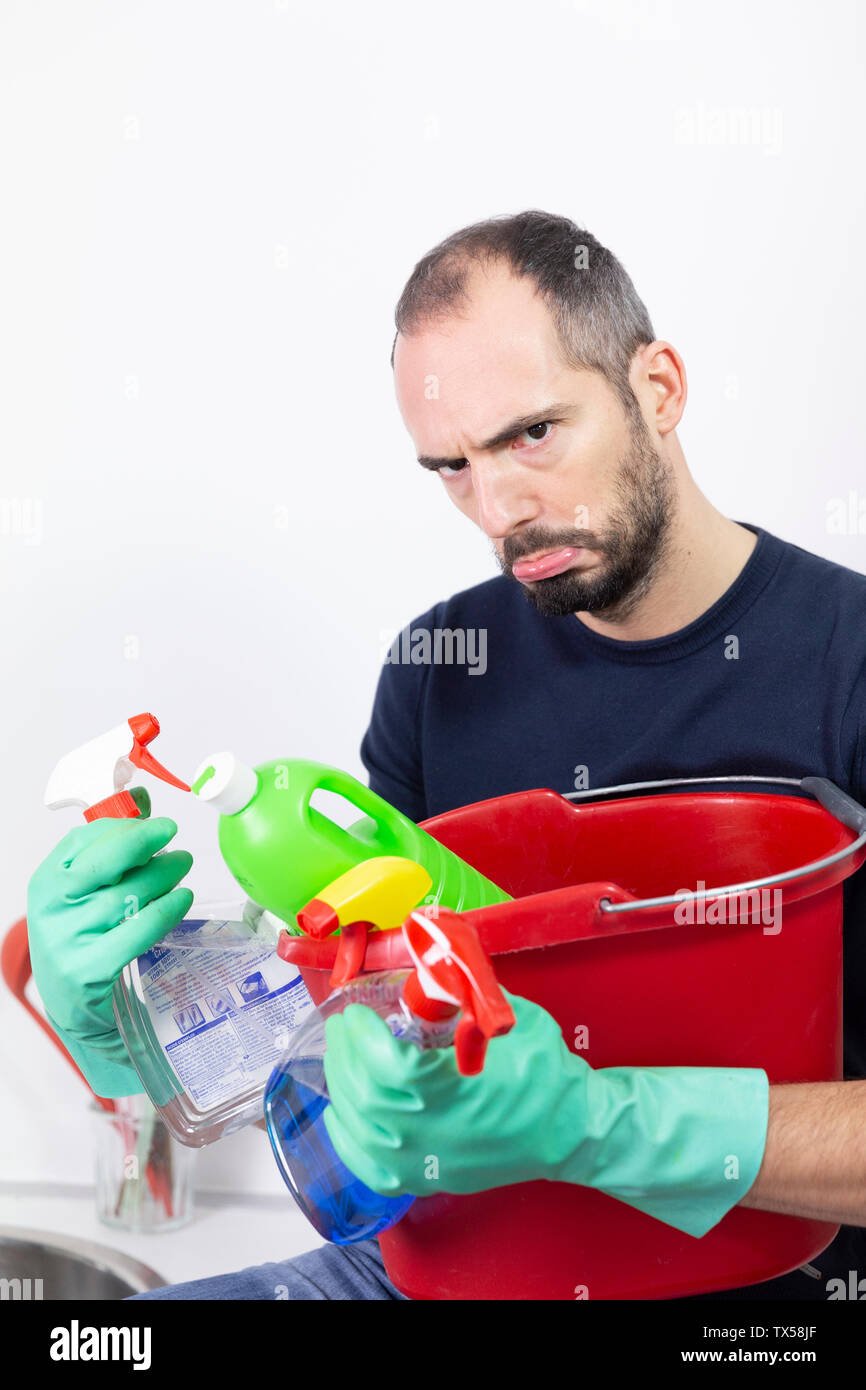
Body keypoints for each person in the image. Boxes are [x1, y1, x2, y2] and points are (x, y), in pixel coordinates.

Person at [27, 210, 866, 1301]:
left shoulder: (840, 661)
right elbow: (361, 1035)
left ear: (655, 388)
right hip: (438, 1274)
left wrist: (600, 1125)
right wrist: (133, 1027)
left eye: (531, 435)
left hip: (763, 1297)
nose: (501, 509)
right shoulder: (438, 669)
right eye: (450, 467)